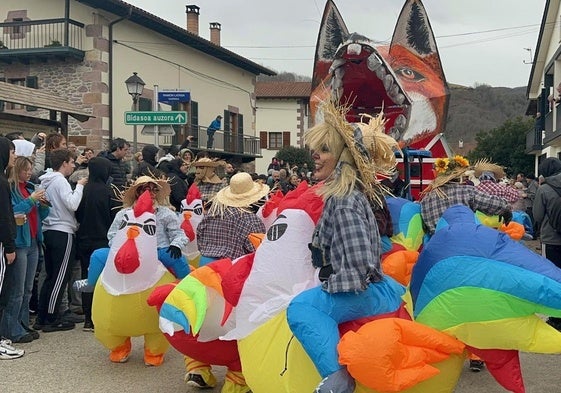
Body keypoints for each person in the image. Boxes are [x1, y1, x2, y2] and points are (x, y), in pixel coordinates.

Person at [285, 102, 405, 393]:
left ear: (343, 158)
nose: (315, 155)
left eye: (324, 149)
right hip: (370, 286)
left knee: (301, 308)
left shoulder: (344, 200)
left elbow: (362, 260)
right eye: (315, 149)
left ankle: (337, 380)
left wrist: (331, 285)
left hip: (364, 291)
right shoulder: (343, 195)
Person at [186, 171, 268, 390]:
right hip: (231, 271)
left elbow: (200, 239)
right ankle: (236, 378)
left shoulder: (211, 214)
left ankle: (198, 367)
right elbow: (258, 250)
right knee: (236, 324)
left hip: (205, 267)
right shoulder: (249, 219)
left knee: (202, 318)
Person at [35, 149, 87, 333]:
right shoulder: (60, 181)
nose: (74, 165)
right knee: (60, 277)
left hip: (49, 229)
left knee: (50, 275)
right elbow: (72, 204)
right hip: (63, 230)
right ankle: (52, 317)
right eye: (72, 162)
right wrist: (79, 186)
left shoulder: (47, 180)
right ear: (64, 163)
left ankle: (42, 316)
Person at [0, 157, 50, 343]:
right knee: (17, 290)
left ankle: (22, 324)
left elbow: (41, 215)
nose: (29, 173)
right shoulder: (11, 189)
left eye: (30, 169)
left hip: (34, 241)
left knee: (28, 288)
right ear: (17, 170)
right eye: (26, 169)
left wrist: (43, 205)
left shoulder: (29, 187)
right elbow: (12, 212)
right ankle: (10, 328)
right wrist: (31, 200)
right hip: (20, 243)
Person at [75, 157, 118, 332]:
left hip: (84, 239)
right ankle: (102, 315)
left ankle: (88, 319)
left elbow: (77, 214)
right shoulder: (109, 192)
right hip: (103, 240)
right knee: (105, 278)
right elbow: (114, 218)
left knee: (87, 276)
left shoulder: (83, 190)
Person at [420, 157, 513, 236]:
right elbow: (499, 204)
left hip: (438, 248)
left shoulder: (426, 200)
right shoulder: (467, 191)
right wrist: (506, 211)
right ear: (459, 176)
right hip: (465, 243)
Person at [0, 137, 25, 360]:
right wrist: (9, 245)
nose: (14, 156)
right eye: (11, 152)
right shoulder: (1, 183)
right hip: (2, 244)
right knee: (2, 291)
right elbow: (5, 217)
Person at [533, 157, 561, 330]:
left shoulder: (544, 189)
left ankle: (557, 317)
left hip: (551, 240)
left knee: (553, 278)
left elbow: (537, 216)